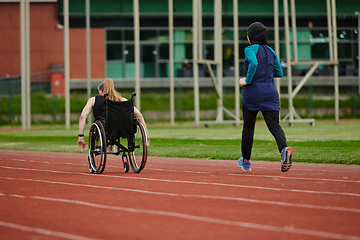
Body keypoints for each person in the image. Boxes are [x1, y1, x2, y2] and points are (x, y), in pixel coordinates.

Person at [238, 22, 293, 172]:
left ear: (250, 37)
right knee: (275, 125)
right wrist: (266, 73)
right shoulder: (271, 51)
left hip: (252, 94)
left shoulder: (249, 49)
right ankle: (284, 149)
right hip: (270, 93)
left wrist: (247, 80)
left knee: (249, 127)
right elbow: (279, 72)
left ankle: (246, 162)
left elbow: (254, 63)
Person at [77, 78, 150, 152]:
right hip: (123, 129)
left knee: (105, 123)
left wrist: (81, 137)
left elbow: (83, 117)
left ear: (100, 91)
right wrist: (146, 135)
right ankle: (112, 145)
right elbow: (139, 115)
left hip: (105, 128)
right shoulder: (122, 100)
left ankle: (109, 145)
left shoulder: (94, 100)